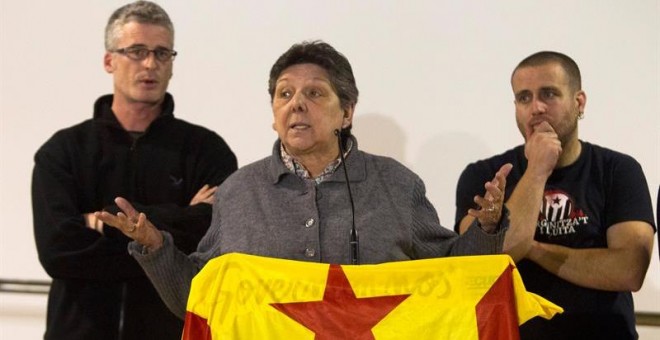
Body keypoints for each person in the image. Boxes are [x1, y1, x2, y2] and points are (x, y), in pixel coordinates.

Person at [96, 40, 556, 320]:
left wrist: (489, 227)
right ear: (273, 113)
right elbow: (197, 299)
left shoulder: (396, 184)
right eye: (285, 94)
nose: (297, 104)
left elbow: (453, 276)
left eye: (315, 93)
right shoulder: (238, 192)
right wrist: (156, 249)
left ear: (347, 111)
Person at [31, 2, 238, 339]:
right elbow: (59, 252)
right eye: (137, 51)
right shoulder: (63, 151)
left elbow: (212, 248)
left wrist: (110, 220)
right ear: (109, 60)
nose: (150, 64)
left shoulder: (207, 150)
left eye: (162, 53)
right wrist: (172, 233)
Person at [454, 51, 656, 339]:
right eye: (524, 97)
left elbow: (629, 269)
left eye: (549, 94)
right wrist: (537, 170)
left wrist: (532, 247)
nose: (536, 107)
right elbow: (481, 268)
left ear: (579, 102)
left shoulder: (618, 170)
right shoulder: (485, 176)